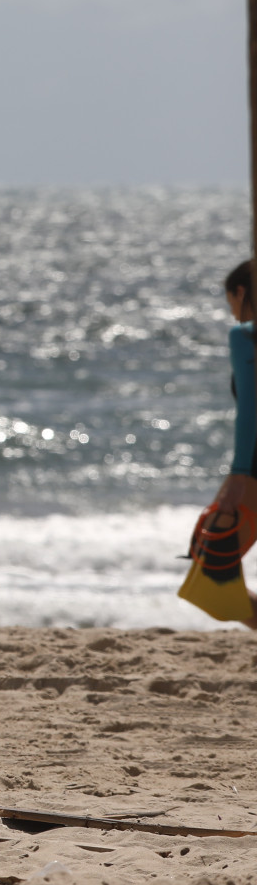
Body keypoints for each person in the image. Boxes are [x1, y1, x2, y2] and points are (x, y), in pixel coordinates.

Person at [184, 260, 257, 627]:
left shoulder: (245, 336)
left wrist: (239, 474)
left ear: (241, 292)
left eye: (230, 301)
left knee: (211, 577)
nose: (231, 311)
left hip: (254, 471)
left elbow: (251, 409)